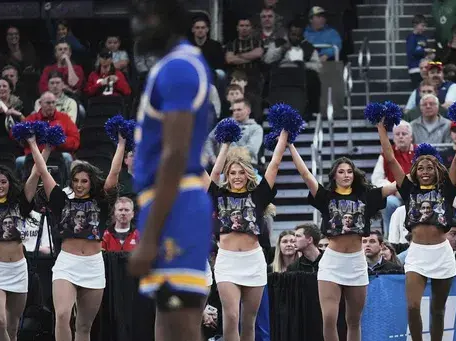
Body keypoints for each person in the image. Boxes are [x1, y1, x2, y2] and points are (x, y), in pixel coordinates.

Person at [126, 2, 214, 341]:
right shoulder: (172, 65)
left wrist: (148, 238)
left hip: (176, 202)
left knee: (180, 326)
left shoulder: (179, 67)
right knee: (165, 320)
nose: (138, 25)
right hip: (166, 201)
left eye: (146, 15)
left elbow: (175, 153)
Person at [288, 142, 396, 340]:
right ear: (334, 175)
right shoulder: (326, 196)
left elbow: (398, 184)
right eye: (341, 171)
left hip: (356, 263)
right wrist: (291, 145)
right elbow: (305, 175)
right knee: (329, 318)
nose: (346, 175)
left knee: (353, 320)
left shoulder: (366, 195)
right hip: (332, 263)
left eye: (349, 171)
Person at [377, 116, 456, 341]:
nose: (425, 171)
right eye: (421, 168)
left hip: (442, 254)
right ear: (414, 171)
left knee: (438, 311)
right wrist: (381, 127)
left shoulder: (447, 188)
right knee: (412, 306)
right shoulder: (408, 190)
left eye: (429, 167)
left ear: (437, 169)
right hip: (417, 254)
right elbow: (390, 158)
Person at [29, 132, 126, 341]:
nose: (80, 185)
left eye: (84, 181)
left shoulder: (101, 203)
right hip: (66, 264)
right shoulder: (61, 201)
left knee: (84, 326)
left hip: (93, 265)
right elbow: (43, 172)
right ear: (71, 183)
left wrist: (121, 144)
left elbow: (114, 173)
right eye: (75, 181)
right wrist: (32, 143)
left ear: (91, 182)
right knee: (63, 316)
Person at [207, 130, 287, 341]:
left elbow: (274, 165)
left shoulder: (258, 195)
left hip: (253, 261)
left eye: (241, 172)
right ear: (228, 175)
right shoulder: (220, 195)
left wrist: (285, 135)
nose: (237, 177)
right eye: (232, 173)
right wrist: (225, 143)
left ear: (248, 174)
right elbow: (214, 175)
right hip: (227, 261)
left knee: (249, 321)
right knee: (231, 317)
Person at [0, 148, 43, 341]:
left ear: (9, 184)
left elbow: (36, 173)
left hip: (18, 270)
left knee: (13, 328)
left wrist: (42, 147)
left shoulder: (20, 204)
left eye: (3, 182)